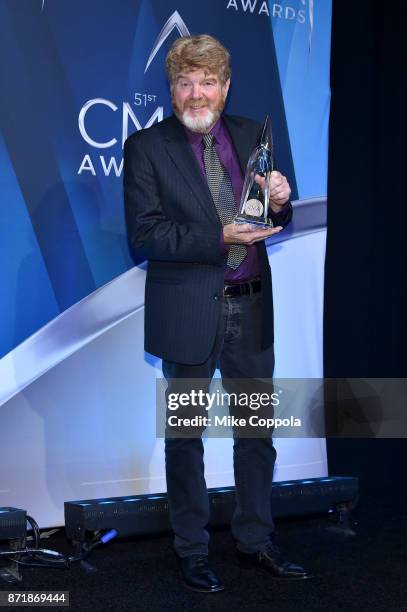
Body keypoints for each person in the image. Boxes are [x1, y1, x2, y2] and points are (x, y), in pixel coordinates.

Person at [124, 34, 312, 592]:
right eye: (185, 82)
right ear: (172, 90)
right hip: (186, 315)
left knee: (256, 436)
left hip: (251, 312)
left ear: (225, 88)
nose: (196, 92)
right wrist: (218, 235)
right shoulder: (147, 147)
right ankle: (192, 549)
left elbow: (278, 219)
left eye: (208, 82)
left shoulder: (255, 136)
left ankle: (256, 541)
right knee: (185, 438)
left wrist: (281, 200)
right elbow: (145, 234)